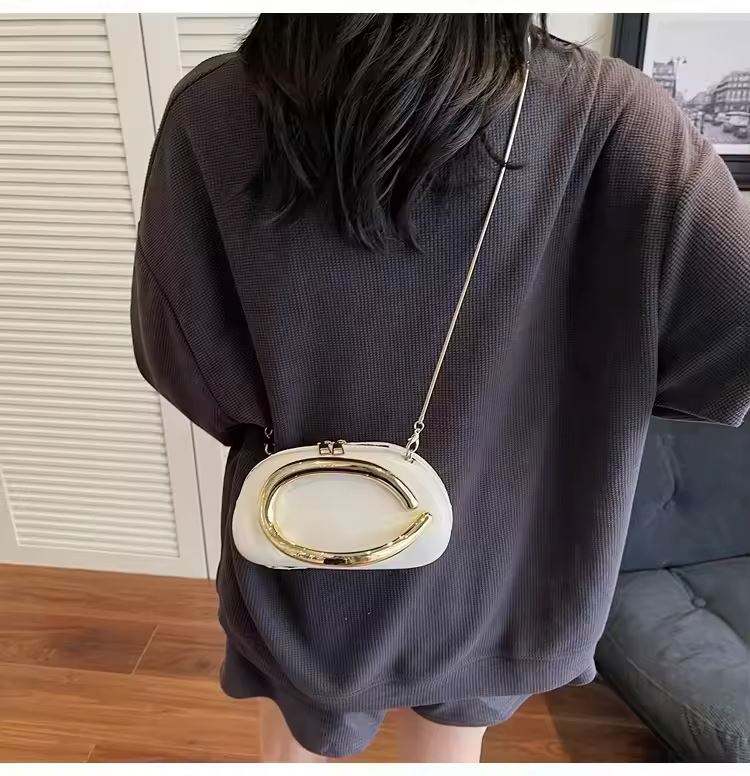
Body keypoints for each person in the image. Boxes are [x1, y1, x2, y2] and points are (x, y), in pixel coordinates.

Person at [130, 14, 750, 763]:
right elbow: (729, 349)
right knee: (449, 752)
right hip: (509, 555)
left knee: (296, 748)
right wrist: (581, 397)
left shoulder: (213, 108)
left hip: (299, 539)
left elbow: (178, 356)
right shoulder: (614, 114)